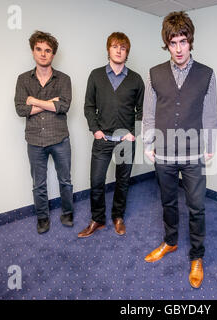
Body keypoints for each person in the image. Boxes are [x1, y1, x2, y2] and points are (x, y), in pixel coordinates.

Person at [142, 11, 217, 289]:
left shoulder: (207, 74)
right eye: (173, 43)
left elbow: (210, 115)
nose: (178, 49)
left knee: (197, 207)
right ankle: (171, 242)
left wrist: (210, 146)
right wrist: (148, 144)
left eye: (182, 42)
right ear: (167, 43)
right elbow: (149, 113)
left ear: (190, 42)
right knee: (168, 202)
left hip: (194, 153)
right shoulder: (154, 74)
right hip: (163, 153)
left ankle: (197, 256)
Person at [78, 32, 145, 238]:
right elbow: (89, 106)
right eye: (115, 46)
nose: (118, 50)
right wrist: (96, 131)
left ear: (127, 52)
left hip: (125, 141)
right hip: (103, 139)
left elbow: (142, 110)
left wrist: (133, 134)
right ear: (108, 49)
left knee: (122, 181)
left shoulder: (135, 79)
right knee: (97, 181)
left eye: (123, 48)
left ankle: (118, 217)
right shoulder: (96, 75)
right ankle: (97, 219)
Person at [14, 31, 73, 234]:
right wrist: (51, 103)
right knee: (38, 184)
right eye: (39, 49)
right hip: (34, 140)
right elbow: (21, 109)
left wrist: (34, 101)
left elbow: (63, 106)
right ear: (33, 52)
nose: (43, 54)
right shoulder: (23, 80)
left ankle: (67, 213)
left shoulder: (64, 79)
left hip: (59, 138)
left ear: (53, 55)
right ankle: (42, 218)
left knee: (65, 180)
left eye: (48, 50)